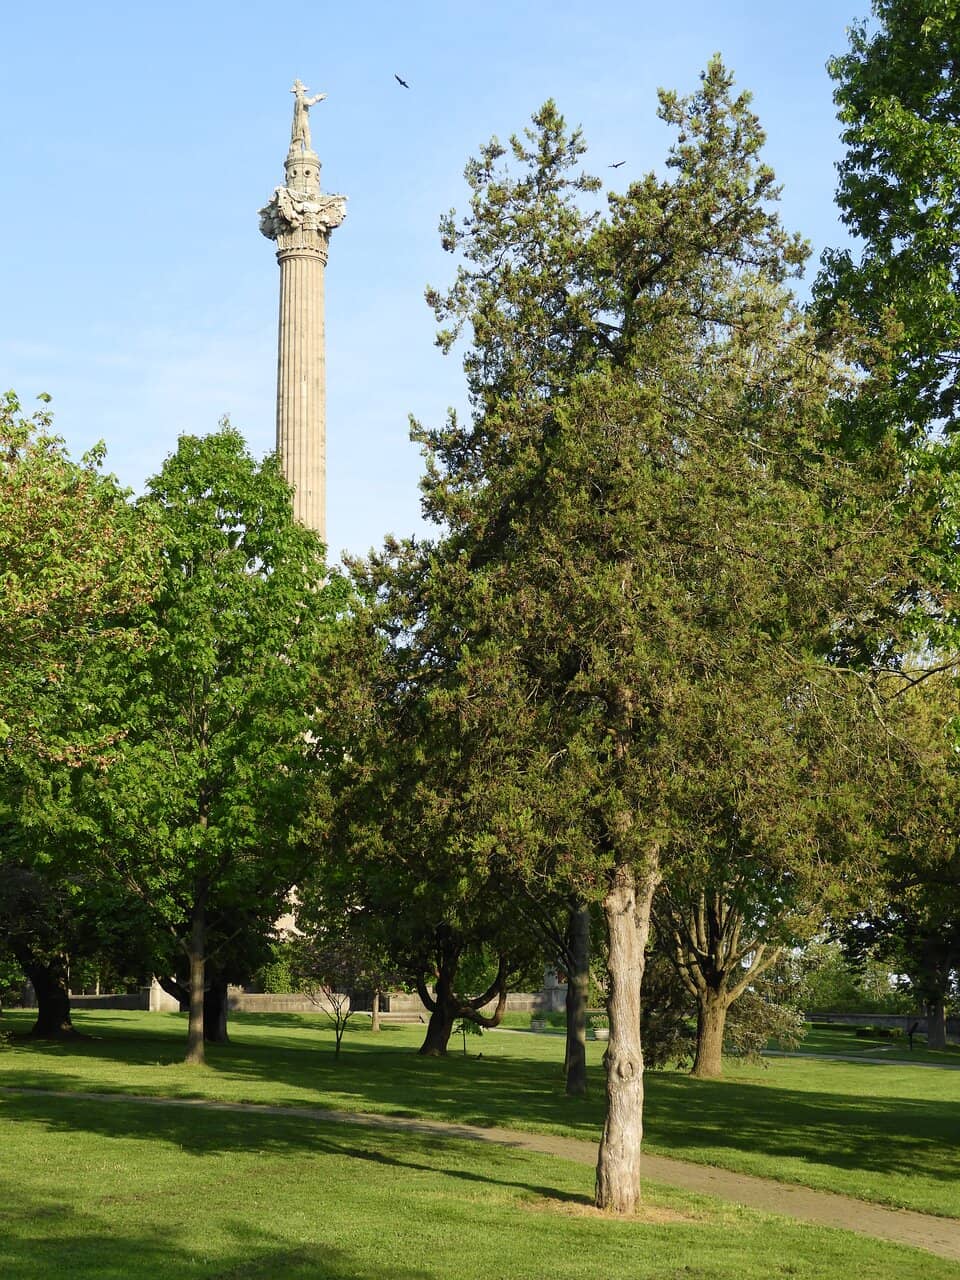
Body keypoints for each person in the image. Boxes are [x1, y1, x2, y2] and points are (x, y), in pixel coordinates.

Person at [290, 79, 326, 150]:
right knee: (307, 133)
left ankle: (304, 149)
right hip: (302, 119)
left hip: (299, 120)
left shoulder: (297, 100)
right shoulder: (301, 98)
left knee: (303, 134)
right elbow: (309, 103)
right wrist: (317, 98)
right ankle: (308, 149)